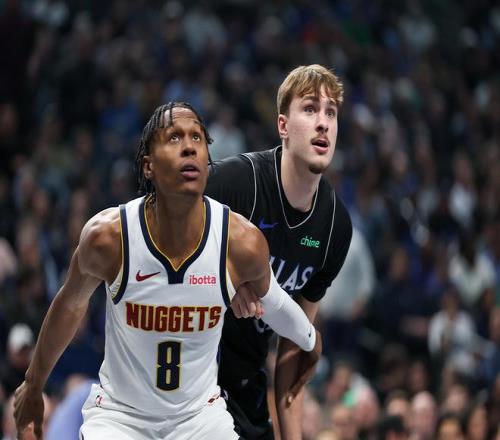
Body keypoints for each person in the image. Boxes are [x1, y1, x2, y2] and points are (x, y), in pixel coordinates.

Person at [13, 102, 321, 440]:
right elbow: (70, 305)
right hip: (121, 417)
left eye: (197, 138)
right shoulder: (109, 237)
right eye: (174, 137)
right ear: (148, 166)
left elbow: (273, 302)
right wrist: (33, 383)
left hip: (199, 418)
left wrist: (309, 339)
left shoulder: (241, 243)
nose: (189, 146)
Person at [205, 64, 352, 439]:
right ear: (283, 126)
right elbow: (160, 236)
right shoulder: (236, 182)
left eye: (331, 112)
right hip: (187, 374)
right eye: (310, 109)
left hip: (245, 386)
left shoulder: (335, 227)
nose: (323, 123)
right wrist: (222, 280)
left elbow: (294, 344)